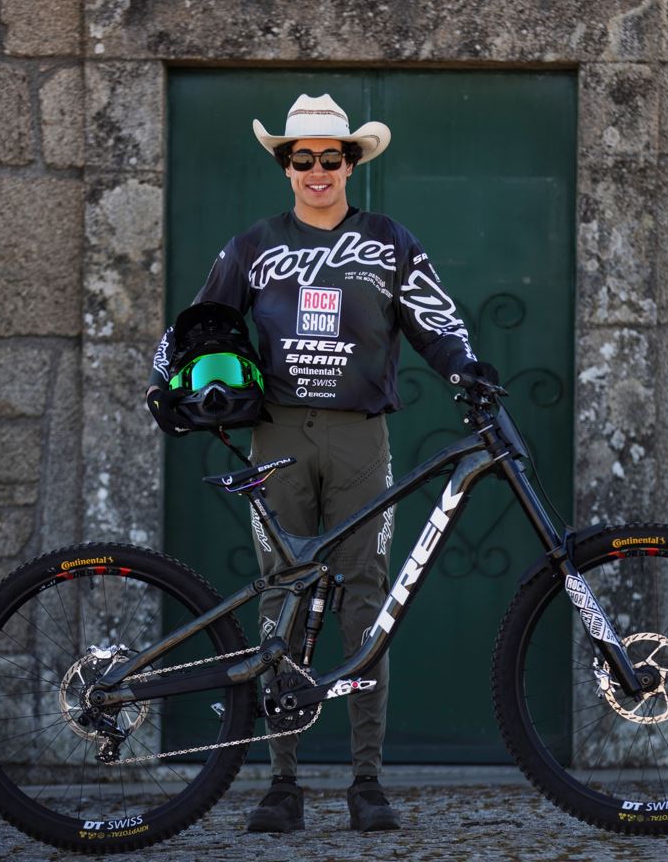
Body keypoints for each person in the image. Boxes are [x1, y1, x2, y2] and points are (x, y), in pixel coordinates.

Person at [146, 93, 497, 833]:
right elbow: (195, 325)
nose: (315, 171)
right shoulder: (251, 246)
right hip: (274, 437)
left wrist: (466, 367)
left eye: (329, 158)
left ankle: (366, 781)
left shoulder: (389, 241)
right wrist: (163, 384)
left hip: (359, 438)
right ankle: (282, 785)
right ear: (285, 165)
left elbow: (436, 320)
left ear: (350, 162)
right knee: (283, 599)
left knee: (364, 604)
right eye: (300, 159)